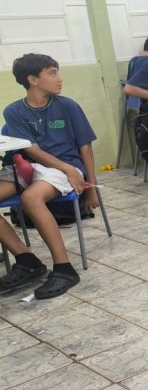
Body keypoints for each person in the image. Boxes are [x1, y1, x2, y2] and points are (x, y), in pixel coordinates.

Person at [0, 54, 99, 298]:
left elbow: (85, 146)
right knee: (28, 190)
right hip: (29, 166)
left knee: (31, 199)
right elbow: (31, 150)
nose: (59, 78)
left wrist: (90, 186)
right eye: (52, 73)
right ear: (33, 79)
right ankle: (26, 260)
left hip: (67, 167)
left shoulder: (68, 106)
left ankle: (64, 269)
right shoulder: (13, 111)